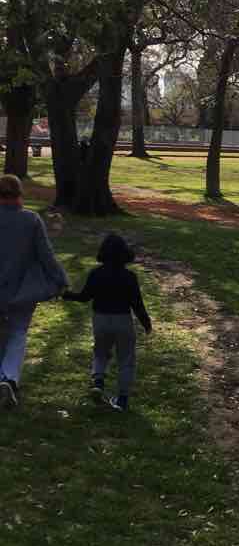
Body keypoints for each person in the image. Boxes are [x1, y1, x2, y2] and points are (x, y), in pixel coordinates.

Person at [0, 174, 69, 408]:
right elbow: (46, 255)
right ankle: (8, 377)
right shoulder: (30, 220)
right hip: (21, 290)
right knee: (18, 332)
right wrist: (60, 280)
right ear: (19, 194)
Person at [63, 233, 152, 411]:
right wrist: (146, 322)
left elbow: (84, 297)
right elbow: (137, 304)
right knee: (126, 359)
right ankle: (123, 399)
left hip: (100, 319)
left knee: (100, 352)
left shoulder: (96, 273)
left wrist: (66, 294)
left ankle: (98, 380)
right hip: (123, 320)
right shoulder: (130, 277)